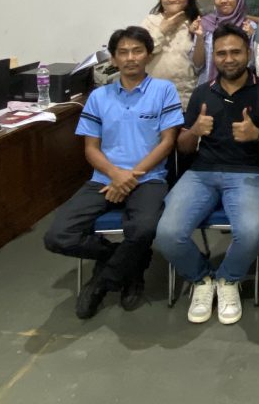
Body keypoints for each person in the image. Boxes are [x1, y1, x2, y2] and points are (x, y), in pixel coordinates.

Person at [44, 26, 183, 319]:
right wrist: (116, 175)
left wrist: (131, 176)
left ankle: (101, 283)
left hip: (148, 179)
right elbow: (90, 149)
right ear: (114, 58)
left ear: (148, 55)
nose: (130, 58)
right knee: (57, 236)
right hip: (104, 178)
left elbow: (167, 142)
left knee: (144, 229)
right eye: (123, 52)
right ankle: (129, 261)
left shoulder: (164, 90)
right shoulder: (99, 97)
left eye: (137, 51)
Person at [154, 24, 259, 325]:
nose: (228, 59)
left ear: (248, 53)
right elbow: (183, 146)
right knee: (167, 234)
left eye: (235, 52)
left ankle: (228, 279)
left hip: (249, 175)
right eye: (222, 53)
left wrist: (258, 134)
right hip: (201, 173)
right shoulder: (203, 92)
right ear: (214, 56)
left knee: (250, 235)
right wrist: (195, 131)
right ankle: (202, 280)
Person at [142, 0, 205, 108]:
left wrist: (199, 37)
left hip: (187, 99)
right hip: (156, 99)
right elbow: (142, 55)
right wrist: (162, 30)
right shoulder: (150, 22)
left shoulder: (197, 23)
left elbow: (200, 64)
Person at [199, 0, 256, 84]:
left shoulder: (250, 27)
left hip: (242, 88)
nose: (223, 0)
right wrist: (199, 38)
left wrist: (251, 37)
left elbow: (253, 64)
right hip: (209, 87)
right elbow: (197, 65)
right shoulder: (205, 25)